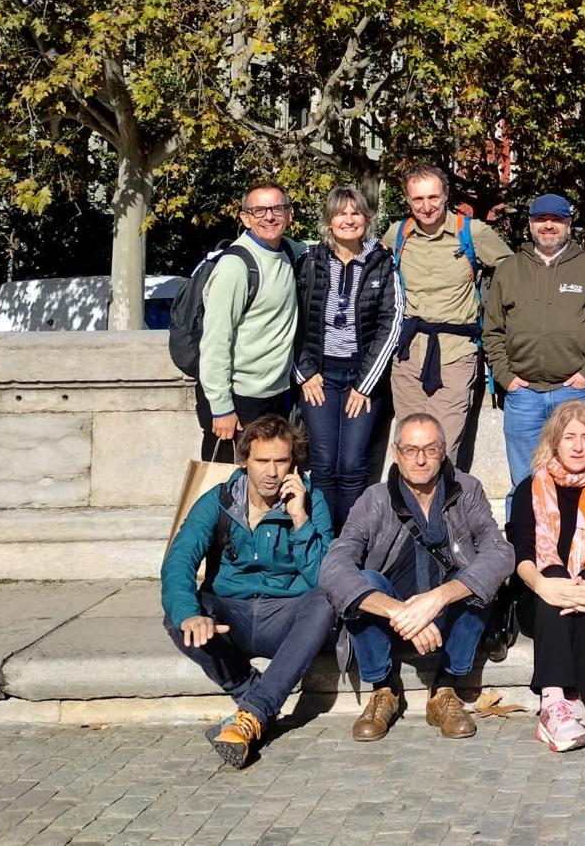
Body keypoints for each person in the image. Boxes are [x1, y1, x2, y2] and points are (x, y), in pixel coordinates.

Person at [319, 414, 515, 742]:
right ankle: (383, 689)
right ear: (396, 453)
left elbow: (501, 553)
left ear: (443, 452)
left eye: (430, 449)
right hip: (392, 621)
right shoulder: (374, 500)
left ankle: (445, 690)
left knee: (478, 576)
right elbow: (334, 566)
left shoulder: (466, 490)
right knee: (363, 579)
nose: (420, 459)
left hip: (449, 617)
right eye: (411, 450)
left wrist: (439, 597)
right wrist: (398, 610)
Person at [161, 414, 335, 768]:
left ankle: (252, 714)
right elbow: (178, 561)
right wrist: (190, 613)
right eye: (262, 460)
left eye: (281, 461)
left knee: (326, 601)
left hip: (286, 615)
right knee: (178, 616)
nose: (271, 471)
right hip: (230, 614)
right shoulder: (218, 500)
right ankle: (254, 698)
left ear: (293, 463)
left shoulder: (311, 500)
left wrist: (299, 519)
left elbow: (324, 576)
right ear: (244, 460)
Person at [504, 402, 585, 752]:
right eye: (569, 437)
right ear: (554, 442)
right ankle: (556, 701)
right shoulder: (529, 489)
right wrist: (545, 584)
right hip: (540, 600)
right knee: (555, 577)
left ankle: (560, 698)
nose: (578, 446)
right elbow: (522, 550)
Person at [484, 193, 585, 492]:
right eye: (541, 219)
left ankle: (580, 538)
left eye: (556, 220)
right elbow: (492, 329)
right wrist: (506, 377)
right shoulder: (509, 269)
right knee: (525, 483)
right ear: (530, 224)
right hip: (523, 395)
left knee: (581, 481)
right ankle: (524, 539)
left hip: (574, 393)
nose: (548, 226)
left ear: (568, 224)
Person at [294, 186, 402, 530]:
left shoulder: (382, 263)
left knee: (354, 464)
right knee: (323, 464)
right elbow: (290, 320)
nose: (349, 219)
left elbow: (392, 321)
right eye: (341, 213)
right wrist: (305, 372)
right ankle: (325, 541)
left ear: (366, 220)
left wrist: (365, 384)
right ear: (329, 221)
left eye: (356, 213)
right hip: (319, 378)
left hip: (363, 379)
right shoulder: (309, 261)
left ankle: (352, 544)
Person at [389, 164, 512, 462]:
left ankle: (442, 509)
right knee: (408, 444)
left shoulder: (472, 232)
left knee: (441, 448)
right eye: (418, 199)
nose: (427, 206)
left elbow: (512, 272)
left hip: (456, 352)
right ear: (408, 200)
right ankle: (407, 509)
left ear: (446, 195)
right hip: (408, 355)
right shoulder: (397, 234)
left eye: (433, 197)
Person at [195, 182, 301, 461]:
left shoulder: (290, 252)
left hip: (277, 395)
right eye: (259, 210)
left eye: (277, 208)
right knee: (228, 488)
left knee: (269, 483)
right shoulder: (235, 267)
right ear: (245, 218)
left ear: (290, 214)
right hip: (239, 399)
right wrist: (221, 407)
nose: (269, 216)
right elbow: (216, 340)